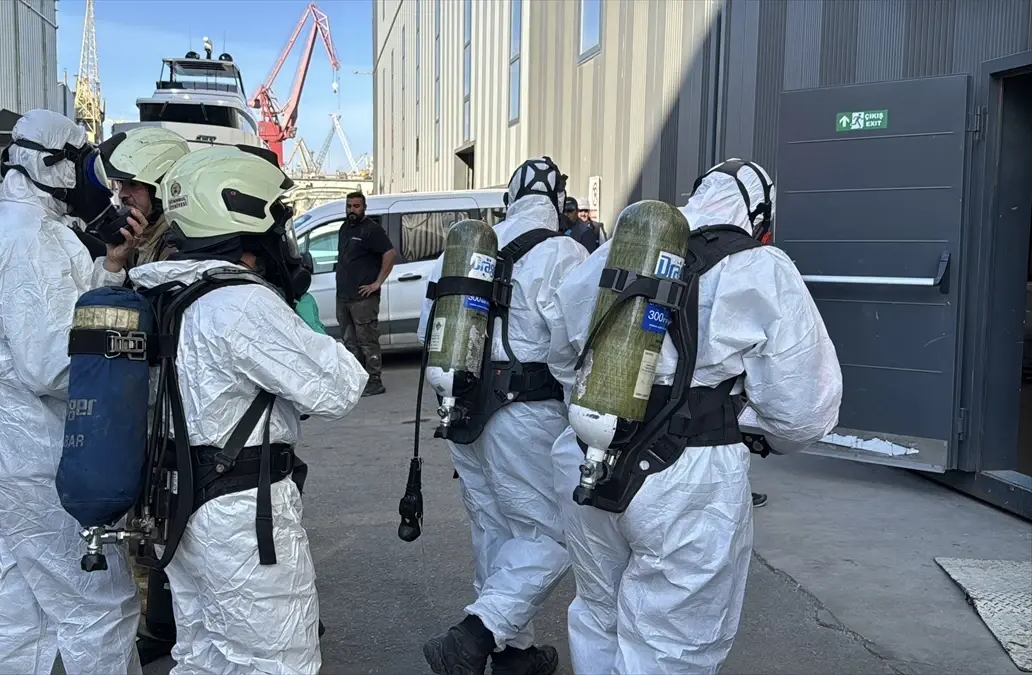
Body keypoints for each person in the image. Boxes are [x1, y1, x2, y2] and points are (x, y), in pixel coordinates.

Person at [549, 159, 842, 674]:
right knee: (672, 644)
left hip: (587, 452)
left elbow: (559, 356)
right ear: (759, 216)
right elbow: (804, 409)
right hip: (689, 474)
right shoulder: (761, 266)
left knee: (598, 613)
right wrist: (758, 430)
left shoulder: (613, 253)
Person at [127, 145, 367, 674]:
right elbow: (341, 387)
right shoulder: (240, 302)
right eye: (276, 224)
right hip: (240, 516)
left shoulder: (163, 291)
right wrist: (297, 315)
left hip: (179, 504)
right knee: (279, 660)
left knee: (202, 655)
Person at [0, 108, 147, 675]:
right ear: (52, 164)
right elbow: (51, 365)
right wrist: (131, 366)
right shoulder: (30, 241)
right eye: (86, 164)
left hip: (6, 456)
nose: (98, 183)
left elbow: (68, 315)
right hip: (41, 461)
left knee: (23, 616)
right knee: (100, 609)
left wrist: (111, 270)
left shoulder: (13, 231)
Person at [418, 156, 589, 675]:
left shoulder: (463, 251)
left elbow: (429, 330)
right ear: (557, 202)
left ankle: (514, 654)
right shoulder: (563, 252)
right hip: (528, 411)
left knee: (494, 529)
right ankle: (475, 636)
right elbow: (575, 344)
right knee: (554, 533)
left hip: (463, 407)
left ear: (508, 200)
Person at [100, 124, 192, 666]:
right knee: (148, 519)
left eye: (131, 186)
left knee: (175, 517)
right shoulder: (142, 241)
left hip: (179, 407)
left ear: (159, 183)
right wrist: (117, 260)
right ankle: (159, 622)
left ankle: (172, 624)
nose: (122, 196)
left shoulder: (181, 240)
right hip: (148, 403)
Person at [103, 126, 191, 267]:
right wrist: (114, 261)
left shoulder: (179, 249)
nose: (121, 194)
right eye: (121, 184)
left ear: (162, 187)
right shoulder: (132, 240)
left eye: (133, 184)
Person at [336, 191, 395, 396]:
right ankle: (359, 380)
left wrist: (377, 283)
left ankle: (374, 381)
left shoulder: (372, 230)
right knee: (350, 342)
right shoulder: (344, 228)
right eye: (349, 206)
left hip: (363, 300)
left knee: (367, 341)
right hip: (344, 297)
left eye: (356, 206)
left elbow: (390, 253)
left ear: (364, 208)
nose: (352, 210)